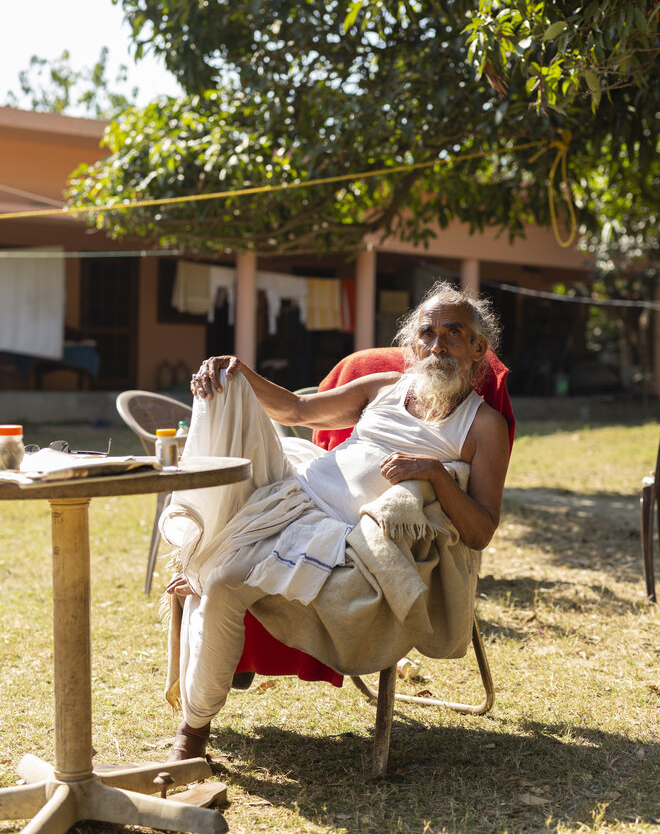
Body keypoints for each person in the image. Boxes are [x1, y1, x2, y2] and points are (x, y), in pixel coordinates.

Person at [162, 281, 511, 761]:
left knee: (222, 581)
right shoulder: (385, 387)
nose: (437, 345)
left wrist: (435, 474)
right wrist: (240, 372)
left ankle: (192, 728)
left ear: (478, 348)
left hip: (337, 535)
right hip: (291, 493)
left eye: (454, 334)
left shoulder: (484, 425)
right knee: (225, 391)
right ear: (413, 345)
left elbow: (480, 531)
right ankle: (196, 723)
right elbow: (299, 411)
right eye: (427, 334)